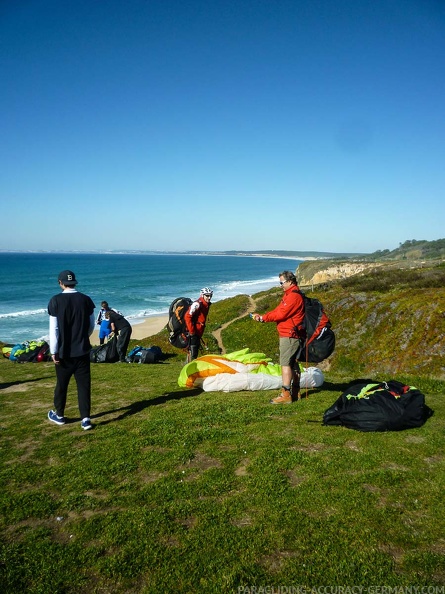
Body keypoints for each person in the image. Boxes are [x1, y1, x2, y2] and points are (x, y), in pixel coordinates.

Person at [47, 270, 96, 430]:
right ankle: (86, 419)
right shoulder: (86, 300)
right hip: (82, 350)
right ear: (74, 282)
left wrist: (54, 350)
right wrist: (83, 337)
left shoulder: (55, 301)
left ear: (61, 283)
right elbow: (91, 325)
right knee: (83, 385)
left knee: (62, 384)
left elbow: (54, 329)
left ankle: (59, 415)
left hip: (63, 352)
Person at [252, 270, 304, 404]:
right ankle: (295, 391)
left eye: (282, 282)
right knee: (293, 363)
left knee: (286, 364)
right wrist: (264, 317)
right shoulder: (290, 294)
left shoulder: (293, 296)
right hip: (292, 334)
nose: (280, 285)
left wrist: (263, 318)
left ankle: (286, 394)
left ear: (290, 281)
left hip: (290, 335)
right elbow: (277, 311)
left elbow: (281, 314)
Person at [184, 287, 213, 360]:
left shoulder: (206, 304)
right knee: (193, 354)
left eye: (210, 296)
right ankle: (190, 369)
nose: (209, 298)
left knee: (194, 352)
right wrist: (192, 331)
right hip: (193, 333)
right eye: (207, 295)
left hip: (198, 332)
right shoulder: (197, 304)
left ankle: (190, 368)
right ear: (202, 295)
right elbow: (187, 316)